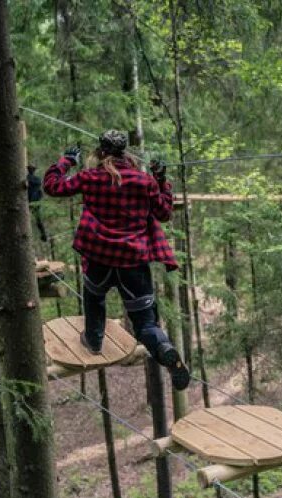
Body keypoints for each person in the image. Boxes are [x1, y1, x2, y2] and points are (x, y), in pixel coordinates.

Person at [42, 130, 190, 390]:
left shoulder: (90, 178)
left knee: (95, 299)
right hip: (133, 263)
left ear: (100, 152)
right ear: (124, 152)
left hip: (99, 260)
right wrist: (162, 180)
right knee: (145, 323)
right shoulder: (143, 181)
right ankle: (162, 346)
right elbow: (165, 212)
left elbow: (53, 186)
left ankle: (94, 340)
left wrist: (67, 161)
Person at [26, 164, 49, 242]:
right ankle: (43, 235)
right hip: (31, 201)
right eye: (31, 169)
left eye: (32, 169)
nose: (32, 171)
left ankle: (44, 235)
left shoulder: (35, 179)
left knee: (38, 219)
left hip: (34, 201)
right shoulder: (35, 179)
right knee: (37, 219)